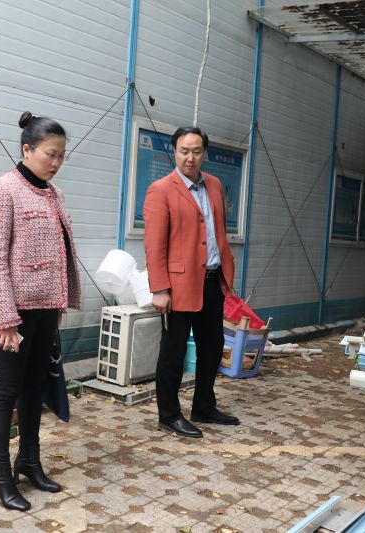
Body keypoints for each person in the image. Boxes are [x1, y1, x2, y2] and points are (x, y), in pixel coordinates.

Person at [0, 111, 81, 510]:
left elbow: (59, 253)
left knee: (34, 387)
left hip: (45, 309)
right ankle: (0, 476)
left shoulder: (54, 194)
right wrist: (4, 319)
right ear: (27, 149)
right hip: (13, 312)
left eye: (61, 156)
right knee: (6, 392)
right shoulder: (1, 190)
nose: (56, 162)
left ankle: (29, 461)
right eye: (50, 154)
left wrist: (58, 303)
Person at [143, 126, 238, 439]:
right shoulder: (161, 189)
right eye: (184, 151)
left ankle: (204, 406)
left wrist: (225, 271)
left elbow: (217, 231)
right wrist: (160, 289)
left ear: (204, 153)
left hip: (211, 279)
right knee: (173, 353)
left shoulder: (214, 184)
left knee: (212, 348)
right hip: (177, 286)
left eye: (196, 151)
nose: (190, 157)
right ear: (174, 151)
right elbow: (154, 245)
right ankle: (169, 415)